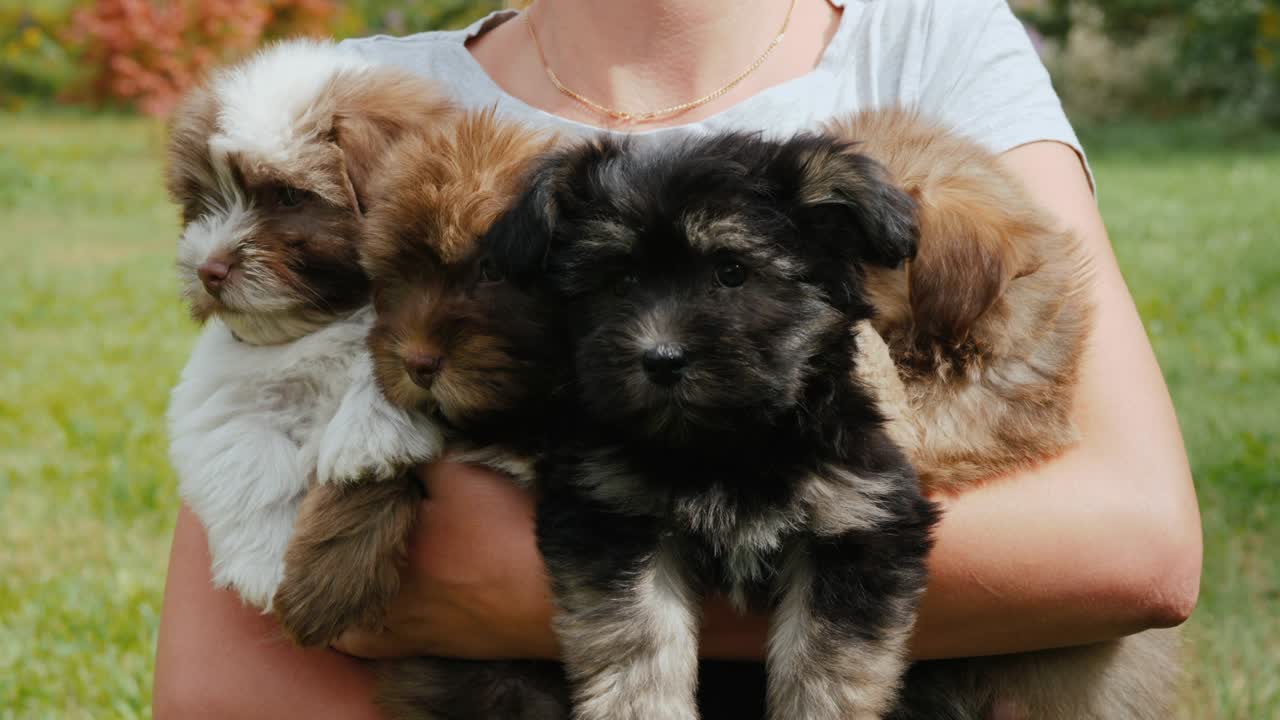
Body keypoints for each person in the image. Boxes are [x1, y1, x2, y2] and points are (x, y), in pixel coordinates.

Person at [153, 1, 1202, 717]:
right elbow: (230, 666)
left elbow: (1131, 549)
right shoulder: (360, 99)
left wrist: (557, 589)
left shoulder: (927, 38)